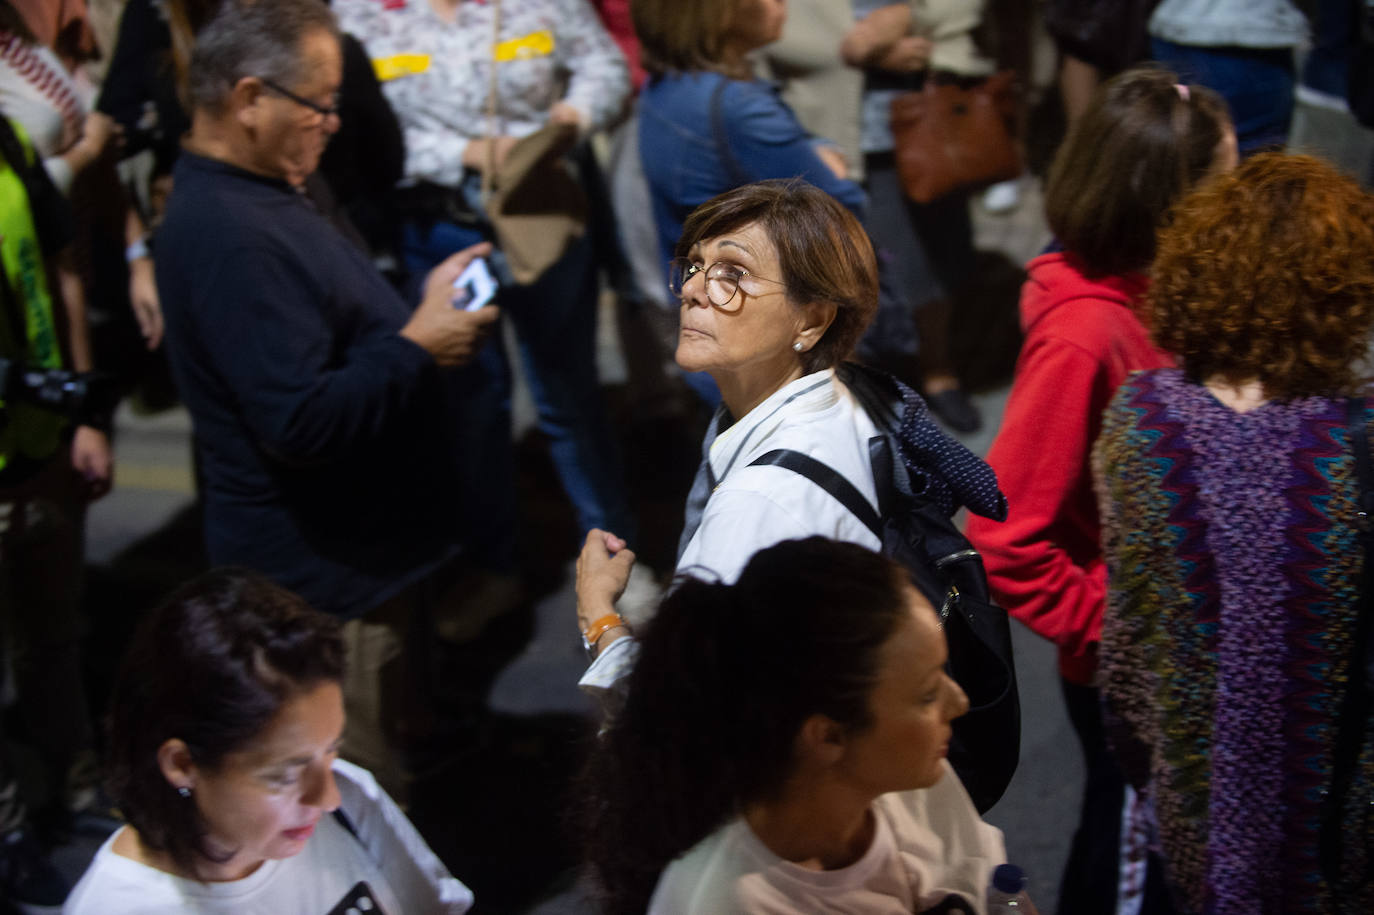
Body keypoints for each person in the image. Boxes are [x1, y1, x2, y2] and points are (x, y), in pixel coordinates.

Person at [154, 0, 498, 801]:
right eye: (319, 102)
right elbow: (300, 420)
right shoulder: (232, 234)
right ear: (247, 100)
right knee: (356, 805)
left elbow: (336, 322)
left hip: (368, 556)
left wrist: (419, 308)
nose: (334, 122)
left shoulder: (274, 186)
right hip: (326, 580)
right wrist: (419, 346)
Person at [963, 67, 1235, 915]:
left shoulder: (1150, 288)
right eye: (1225, 181)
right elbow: (1002, 534)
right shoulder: (1084, 335)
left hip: (1179, 651)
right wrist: (1118, 628)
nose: (1240, 197)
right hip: (1131, 669)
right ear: (1169, 201)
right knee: (1128, 854)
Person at [575, 181, 1004, 705]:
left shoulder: (757, 511)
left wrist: (599, 614)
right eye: (693, 266)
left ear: (814, 319)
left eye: (733, 274)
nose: (692, 289)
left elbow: (671, 728)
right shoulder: (857, 394)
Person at [1095, 152, 1374, 912]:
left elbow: (1126, 647)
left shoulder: (1140, 421)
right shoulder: (1355, 442)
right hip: (1340, 835)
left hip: (1190, 816)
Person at [335, 0, 637, 602]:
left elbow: (606, 64)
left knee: (570, 402)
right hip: (436, 227)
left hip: (541, 216)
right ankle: (494, 567)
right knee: (471, 407)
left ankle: (615, 571)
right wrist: (466, 154)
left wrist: (571, 118)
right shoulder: (358, 13)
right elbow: (356, 129)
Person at [581, 537, 1009, 914]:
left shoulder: (912, 777)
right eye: (927, 694)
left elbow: (998, 889)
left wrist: (602, 618)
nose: (960, 703)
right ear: (828, 736)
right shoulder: (721, 903)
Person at [63, 568, 474, 913]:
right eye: (284, 776)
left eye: (330, 749)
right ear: (183, 765)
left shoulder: (349, 800)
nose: (328, 796)